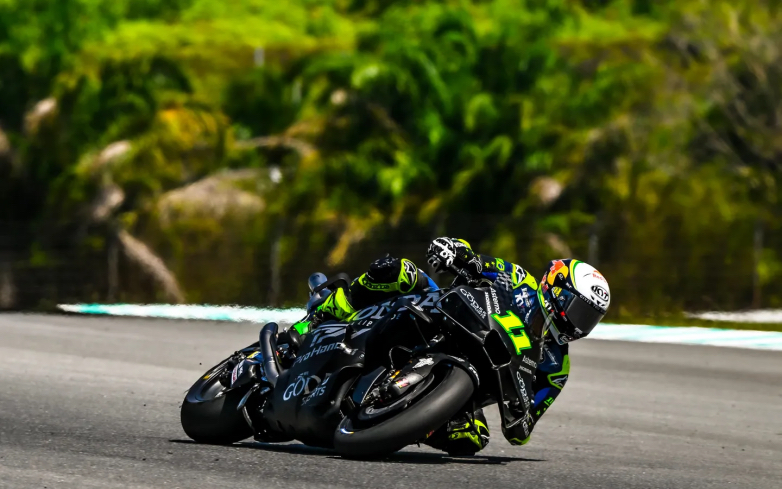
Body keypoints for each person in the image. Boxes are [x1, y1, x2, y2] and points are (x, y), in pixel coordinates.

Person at [287, 237, 611, 456]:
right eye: (579, 311)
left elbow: (523, 430)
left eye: (590, 319)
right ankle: (321, 314)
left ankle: (397, 417)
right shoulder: (518, 280)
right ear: (556, 288)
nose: (578, 325)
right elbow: (477, 263)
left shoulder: (555, 367)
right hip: (440, 315)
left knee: (471, 438)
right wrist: (454, 251)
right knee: (397, 271)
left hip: (466, 386)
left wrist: (519, 413)